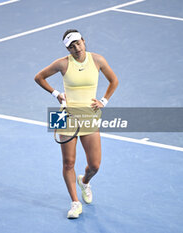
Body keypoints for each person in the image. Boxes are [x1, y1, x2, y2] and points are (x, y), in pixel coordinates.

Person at [34, 29, 118, 219]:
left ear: (84, 41)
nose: (76, 48)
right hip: (66, 115)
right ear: (68, 49)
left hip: (89, 115)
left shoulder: (98, 60)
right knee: (68, 162)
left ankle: (85, 181)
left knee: (95, 165)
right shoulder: (63, 64)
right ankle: (75, 203)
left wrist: (103, 101)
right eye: (71, 46)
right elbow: (39, 77)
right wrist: (57, 94)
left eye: (78, 43)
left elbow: (114, 81)